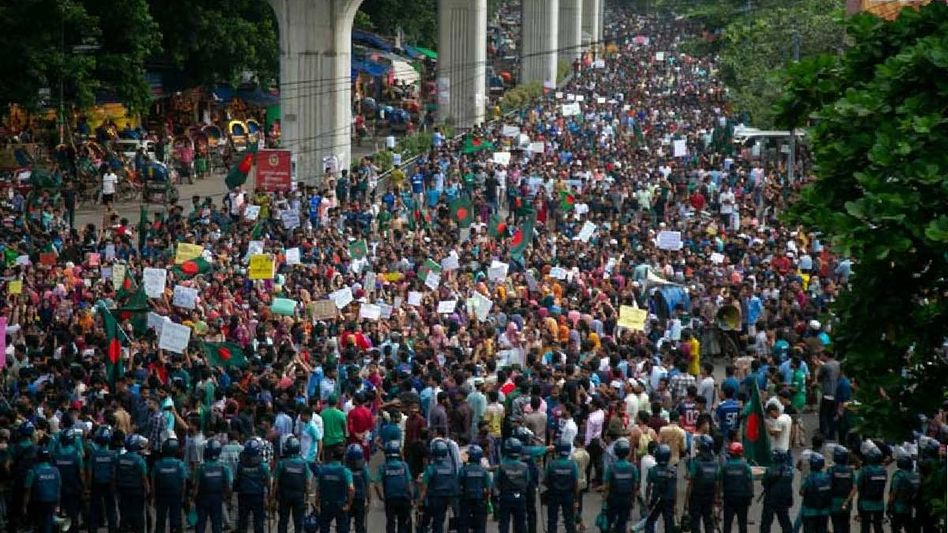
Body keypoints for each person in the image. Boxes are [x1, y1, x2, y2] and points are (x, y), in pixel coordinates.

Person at [273, 436, 311, 533]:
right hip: (299, 497)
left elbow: (275, 482)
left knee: (283, 521)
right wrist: (307, 498)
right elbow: (308, 483)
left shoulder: (281, 463)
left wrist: (272, 497)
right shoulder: (304, 464)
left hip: (284, 496)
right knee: (299, 523)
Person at [194, 439, 232, 533]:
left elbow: (196, 487)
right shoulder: (224, 468)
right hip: (217, 499)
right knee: (217, 524)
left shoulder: (200, 468)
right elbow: (228, 486)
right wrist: (227, 499)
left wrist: (192, 499)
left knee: (200, 524)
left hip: (202, 499)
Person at [420, 439, 459, 533]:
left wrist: (419, 501)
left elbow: (424, 487)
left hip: (432, 499)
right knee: (439, 522)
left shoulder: (431, 468)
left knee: (425, 522)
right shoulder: (450, 469)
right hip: (445, 499)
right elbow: (454, 485)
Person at [376, 440, 414, 533]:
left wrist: (382, 497)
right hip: (404, 498)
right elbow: (409, 483)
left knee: (390, 523)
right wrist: (411, 498)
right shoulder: (404, 466)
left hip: (390, 499)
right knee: (402, 523)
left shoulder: (383, 467)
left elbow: (377, 484)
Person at [7, 421, 38, 533]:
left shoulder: (14, 447)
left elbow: (7, 465)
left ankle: (14, 527)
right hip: (33, 482)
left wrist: (11, 475)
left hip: (18, 481)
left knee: (15, 506)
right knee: (31, 505)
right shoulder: (36, 448)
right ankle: (29, 526)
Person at [152, 437, 188, 533]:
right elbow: (183, 482)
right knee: (176, 519)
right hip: (176, 495)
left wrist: (153, 497)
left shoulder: (157, 464)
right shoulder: (179, 464)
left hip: (161, 495)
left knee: (160, 519)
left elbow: (153, 482)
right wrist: (183, 497)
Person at [603, 437, 638, 533]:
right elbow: (634, 486)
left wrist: (604, 501)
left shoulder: (611, 468)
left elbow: (607, 487)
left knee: (609, 521)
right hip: (626, 499)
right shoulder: (633, 468)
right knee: (622, 523)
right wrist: (633, 500)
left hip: (613, 499)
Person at [53, 428, 85, 532]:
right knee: (73, 511)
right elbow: (81, 472)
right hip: (73, 486)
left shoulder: (56, 453)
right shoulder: (76, 454)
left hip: (59, 487)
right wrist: (83, 485)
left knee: (59, 511)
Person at [315, 446, 354, 533]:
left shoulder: (323, 470)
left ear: (332, 455)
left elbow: (318, 488)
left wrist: (317, 503)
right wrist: (349, 504)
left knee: (324, 528)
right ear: (343, 457)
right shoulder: (346, 471)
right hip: (340, 505)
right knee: (342, 528)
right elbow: (351, 489)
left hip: (326, 504)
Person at [116, 434, 150, 533]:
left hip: (123, 490)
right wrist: (148, 490)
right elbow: (144, 478)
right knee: (138, 514)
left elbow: (115, 474)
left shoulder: (120, 458)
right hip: (136, 491)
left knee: (124, 513)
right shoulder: (140, 460)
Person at [686, 434, 720, 533]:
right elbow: (717, 483)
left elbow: (691, 483)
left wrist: (686, 503)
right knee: (709, 522)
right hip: (710, 497)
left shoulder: (695, 463)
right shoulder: (715, 463)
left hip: (696, 497)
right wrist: (717, 499)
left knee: (695, 523)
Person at [235, 439, 270, 533]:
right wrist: (269, 495)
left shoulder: (240, 465)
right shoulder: (263, 466)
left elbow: (237, 480)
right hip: (258, 496)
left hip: (243, 496)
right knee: (258, 522)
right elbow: (268, 481)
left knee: (243, 521)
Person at [496, 438, 530, 533]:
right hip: (520, 496)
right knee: (521, 523)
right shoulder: (524, 466)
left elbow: (497, 482)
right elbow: (527, 481)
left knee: (504, 523)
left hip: (505, 496)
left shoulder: (501, 466)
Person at [88, 425, 118, 533]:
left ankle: (92, 529)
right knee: (111, 508)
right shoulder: (113, 455)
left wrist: (89, 485)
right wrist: (114, 485)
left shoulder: (94, 455)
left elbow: (91, 472)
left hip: (96, 483)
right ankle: (113, 529)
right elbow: (114, 472)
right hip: (109, 483)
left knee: (94, 508)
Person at [23, 448, 61, 533]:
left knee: (40, 525)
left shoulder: (33, 471)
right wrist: (58, 504)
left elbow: (27, 491)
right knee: (48, 523)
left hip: (37, 503)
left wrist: (25, 506)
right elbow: (58, 489)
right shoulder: (56, 471)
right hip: (52, 502)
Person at [543, 441, 579, 533]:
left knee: (552, 520)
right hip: (568, 495)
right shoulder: (573, 464)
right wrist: (576, 499)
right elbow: (575, 483)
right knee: (569, 520)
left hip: (553, 495)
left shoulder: (551, 464)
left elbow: (546, 481)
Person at [721, 442, 754, 533]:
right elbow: (750, 482)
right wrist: (750, 497)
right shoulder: (746, 467)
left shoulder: (725, 466)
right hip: (743, 499)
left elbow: (719, 481)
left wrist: (718, 498)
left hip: (729, 498)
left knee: (727, 523)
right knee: (742, 523)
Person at [759, 449, 793, 533]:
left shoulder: (770, 470)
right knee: (785, 522)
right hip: (784, 500)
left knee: (766, 523)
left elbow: (764, 482)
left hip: (770, 499)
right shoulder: (789, 471)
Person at [645, 444, 676, 533]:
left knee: (650, 520)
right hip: (669, 499)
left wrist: (648, 501)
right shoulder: (673, 470)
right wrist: (675, 503)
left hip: (656, 499)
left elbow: (649, 487)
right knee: (669, 522)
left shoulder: (652, 470)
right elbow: (674, 488)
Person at [855, 446, 886, 533]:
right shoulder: (883, 471)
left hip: (865, 504)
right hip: (879, 503)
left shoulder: (865, 471)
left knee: (865, 527)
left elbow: (859, 486)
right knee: (878, 526)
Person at [887, 452, 920, 533]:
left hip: (898, 506)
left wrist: (889, 505)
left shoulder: (899, 475)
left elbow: (894, 492)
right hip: (910, 507)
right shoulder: (915, 474)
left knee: (896, 528)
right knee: (909, 528)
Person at [799, 453, 831, 533]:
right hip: (824, 511)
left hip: (810, 511)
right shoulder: (828, 477)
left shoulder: (810, 478)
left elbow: (802, 492)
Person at [345, 444, 371, 533]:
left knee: (345, 524)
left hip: (347, 499)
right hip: (360, 499)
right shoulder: (364, 468)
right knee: (359, 524)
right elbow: (367, 484)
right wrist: (369, 499)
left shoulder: (345, 469)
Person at [828, 446, 854, 533]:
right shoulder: (850, 471)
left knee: (837, 525)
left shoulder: (831, 470)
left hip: (834, 503)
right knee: (846, 525)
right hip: (847, 503)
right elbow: (854, 487)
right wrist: (847, 501)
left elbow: (828, 485)